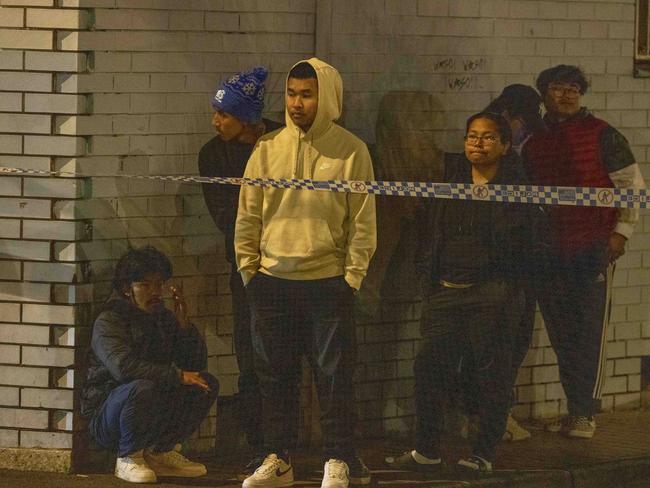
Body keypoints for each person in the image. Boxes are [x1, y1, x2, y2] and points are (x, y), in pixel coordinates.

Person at [235, 58, 376, 488]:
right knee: (274, 377)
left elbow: (363, 223)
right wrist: (250, 272)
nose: (297, 103)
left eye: (307, 95)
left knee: (334, 377)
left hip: (328, 282)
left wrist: (350, 278)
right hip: (272, 282)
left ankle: (339, 459)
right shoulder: (266, 148)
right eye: (292, 94)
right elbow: (248, 216)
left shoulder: (352, 150)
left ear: (327, 97)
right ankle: (278, 458)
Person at [386, 112, 535, 475]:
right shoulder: (449, 182)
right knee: (428, 369)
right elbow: (430, 233)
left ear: (504, 145)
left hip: (492, 296)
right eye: (472, 136)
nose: (478, 143)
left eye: (487, 137)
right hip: (445, 294)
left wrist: (508, 287)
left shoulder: (519, 189)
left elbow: (531, 244)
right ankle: (427, 450)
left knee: (491, 376)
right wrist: (429, 278)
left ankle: (482, 452)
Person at [522, 65, 646, 438]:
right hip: (548, 250)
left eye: (574, 89)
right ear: (544, 93)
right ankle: (574, 408)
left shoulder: (604, 135)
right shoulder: (532, 142)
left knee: (588, 333)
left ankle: (584, 413)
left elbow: (632, 187)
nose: (567, 95)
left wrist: (619, 236)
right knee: (562, 334)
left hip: (592, 247)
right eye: (558, 88)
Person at [198, 66, 282, 475]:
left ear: (247, 117)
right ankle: (259, 444)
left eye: (224, 114)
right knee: (250, 357)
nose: (216, 122)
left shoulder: (285, 141)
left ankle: (286, 444)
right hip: (247, 269)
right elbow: (225, 217)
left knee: (290, 355)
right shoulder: (213, 153)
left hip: (293, 266)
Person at [80, 246, 219, 484]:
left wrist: (184, 326)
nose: (155, 292)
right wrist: (177, 376)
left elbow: (193, 365)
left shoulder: (162, 317)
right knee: (143, 386)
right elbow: (124, 368)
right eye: (145, 285)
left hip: (149, 403)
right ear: (127, 289)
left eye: (159, 284)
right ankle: (128, 457)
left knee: (205, 382)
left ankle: (159, 452)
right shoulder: (110, 320)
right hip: (108, 414)